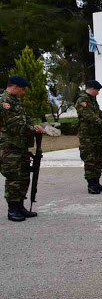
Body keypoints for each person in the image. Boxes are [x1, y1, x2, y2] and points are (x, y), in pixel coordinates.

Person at [0, 75, 44, 222]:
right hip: (9, 147)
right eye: (23, 89)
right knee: (14, 179)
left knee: (24, 177)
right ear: (15, 87)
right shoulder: (4, 102)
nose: (24, 92)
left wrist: (34, 126)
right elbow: (15, 125)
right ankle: (12, 210)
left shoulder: (16, 102)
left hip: (20, 147)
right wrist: (32, 129)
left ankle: (20, 206)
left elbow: (25, 119)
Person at [76, 80, 102, 194]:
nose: (98, 93)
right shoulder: (82, 100)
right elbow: (90, 116)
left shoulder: (92, 100)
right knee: (90, 160)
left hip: (96, 135)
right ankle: (91, 185)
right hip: (87, 136)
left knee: (98, 159)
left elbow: (98, 112)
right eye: (97, 90)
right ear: (91, 88)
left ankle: (97, 182)